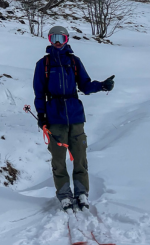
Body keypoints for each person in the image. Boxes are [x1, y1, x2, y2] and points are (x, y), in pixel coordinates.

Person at [33, 26, 114, 212]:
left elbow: (85, 85)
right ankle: (64, 195)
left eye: (61, 38)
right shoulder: (43, 64)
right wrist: (41, 115)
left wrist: (102, 86)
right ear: (49, 40)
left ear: (67, 39)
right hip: (55, 118)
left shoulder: (74, 62)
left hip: (76, 116)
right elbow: (39, 93)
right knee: (58, 160)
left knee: (80, 158)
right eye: (54, 38)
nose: (58, 42)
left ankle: (81, 193)